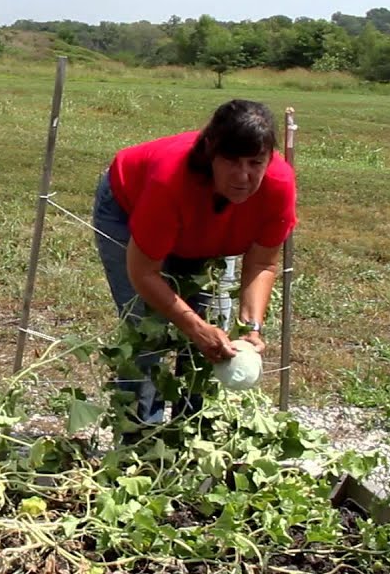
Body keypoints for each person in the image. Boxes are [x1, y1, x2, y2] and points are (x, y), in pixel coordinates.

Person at [92, 99, 297, 442]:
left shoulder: (278, 184)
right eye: (231, 161)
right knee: (148, 331)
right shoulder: (170, 181)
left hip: (206, 230)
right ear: (210, 153)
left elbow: (262, 262)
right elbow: (143, 273)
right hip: (128, 210)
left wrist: (251, 326)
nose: (244, 176)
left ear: (269, 158)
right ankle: (138, 446)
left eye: (255, 163)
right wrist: (194, 326)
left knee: (215, 335)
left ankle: (190, 439)